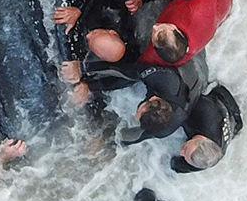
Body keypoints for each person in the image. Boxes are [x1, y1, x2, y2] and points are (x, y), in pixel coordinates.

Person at [62, 57, 205, 144]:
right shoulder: (165, 80)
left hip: (193, 86)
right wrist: (83, 68)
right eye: (140, 111)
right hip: (188, 66)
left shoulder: (165, 129)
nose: (135, 115)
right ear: (153, 98)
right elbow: (129, 71)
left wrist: (107, 140)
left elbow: (137, 136)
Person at [125, 0, 233, 66]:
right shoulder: (197, 11)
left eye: (154, 34)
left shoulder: (155, 55)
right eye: (161, 29)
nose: (154, 26)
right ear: (175, 28)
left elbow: (139, 65)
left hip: (216, 6)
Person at [54, 0, 137, 64]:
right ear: (112, 32)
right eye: (95, 33)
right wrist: (78, 9)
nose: (88, 35)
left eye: (90, 43)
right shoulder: (111, 10)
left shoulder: (127, 52)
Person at [172, 84, 243, 173]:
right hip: (218, 97)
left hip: (230, 122)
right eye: (185, 149)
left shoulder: (209, 158)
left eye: (185, 155)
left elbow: (182, 165)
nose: (181, 152)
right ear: (199, 138)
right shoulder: (204, 111)